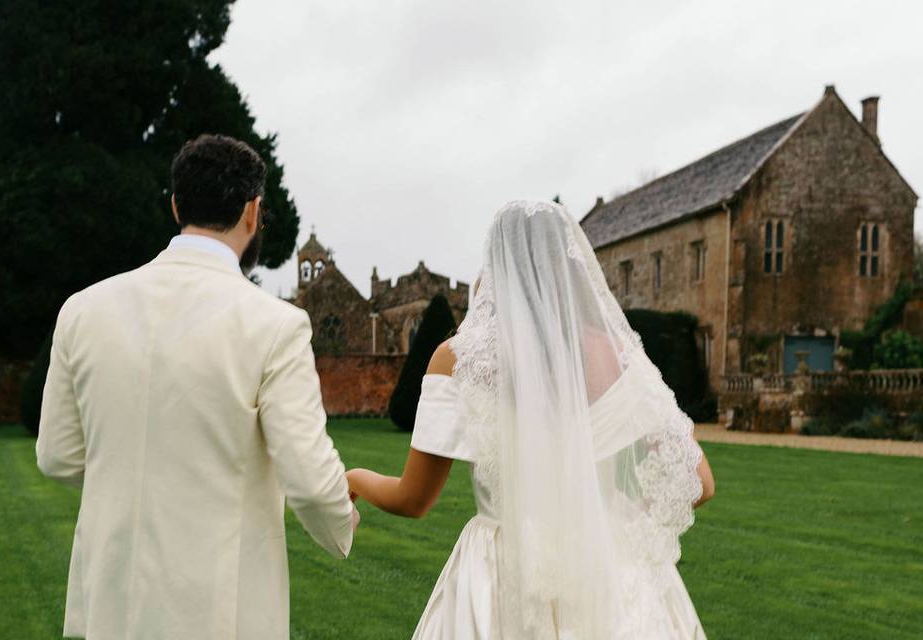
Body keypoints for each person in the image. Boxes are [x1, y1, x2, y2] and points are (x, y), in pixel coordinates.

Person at [36, 134, 358, 640]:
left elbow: (57, 456)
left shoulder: (82, 309)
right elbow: (313, 487)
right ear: (253, 212)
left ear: (175, 206)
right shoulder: (275, 325)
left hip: (109, 604)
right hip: (219, 614)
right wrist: (344, 523)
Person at [348, 199, 715, 639]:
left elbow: (414, 500)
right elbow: (701, 482)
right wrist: (610, 518)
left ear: (496, 266)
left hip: (503, 572)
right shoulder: (616, 355)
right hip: (604, 572)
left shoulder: (458, 359)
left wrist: (355, 478)